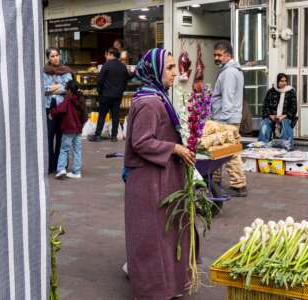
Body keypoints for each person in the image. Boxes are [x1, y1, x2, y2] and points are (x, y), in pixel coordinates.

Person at [124, 48, 196, 299]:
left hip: (158, 178)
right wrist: (175, 147)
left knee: (164, 234)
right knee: (152, 237)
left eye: (175, 67)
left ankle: (169, 285)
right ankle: (154, 289)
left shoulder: (156, 97)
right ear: (154, 70)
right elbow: (141, 142)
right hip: (149, 182)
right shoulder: (150, 102)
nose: (175, 72)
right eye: (170, 67)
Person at [211, 40, 247, 197]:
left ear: (228, 55)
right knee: (220, 151)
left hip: (226, 119)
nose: (216, 58)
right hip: (228, 117)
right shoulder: (232, 70)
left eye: (219, 55)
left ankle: (239, 186)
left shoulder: (229, 73)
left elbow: (228, 98)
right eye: (215, 54)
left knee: (230, 152)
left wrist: (222, 124)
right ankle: (215, 180)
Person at [88, 47, 129, 142]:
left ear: (111, 55)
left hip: (106, 95)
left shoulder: (106, 65)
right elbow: (126, 79)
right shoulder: (123, 66)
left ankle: (97, 135)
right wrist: (121, 90)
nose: (106, 56)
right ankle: (114, 136)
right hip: (117, 95)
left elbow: (100, 80)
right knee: (115, 115)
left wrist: (100, 91)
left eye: (108, 54)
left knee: (102, 115)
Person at [44, 47, 73, 174]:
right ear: (48, 58)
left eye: (57, 55)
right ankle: (50, 166)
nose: (55, 58)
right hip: (49, 107)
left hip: (63, 108)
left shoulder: (66, 71)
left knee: (62, 137)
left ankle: (61, 166)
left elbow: (69, 88)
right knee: (49, 137)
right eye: (52, 56)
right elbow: (44, 89)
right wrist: (59, 86)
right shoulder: (44, 71)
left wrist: (54, 88)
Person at [51, 80, 86, 179]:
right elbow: (84, 114)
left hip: (68, 128)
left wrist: (52, 112)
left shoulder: (68, 99)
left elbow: (60, 109)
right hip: (78, 129)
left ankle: (61, 169)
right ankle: (76, 171)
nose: (65, 91)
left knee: (64, 149)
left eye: (66, 89)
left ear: (69, 90)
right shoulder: (81, 98)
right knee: (77, 150)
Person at [258, 73, 297, 149]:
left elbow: (293, 107)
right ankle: (262, 147)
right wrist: (270, 115)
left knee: (285, 126)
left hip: (286, 117)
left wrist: (284, 116)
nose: (284, 83)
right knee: (265, 126)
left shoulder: (290, 91)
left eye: (285, 81)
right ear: (277, 81)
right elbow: (265, 106)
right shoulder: (271, 91)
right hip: (272, 116)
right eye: (281, 81)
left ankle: (287, 147)